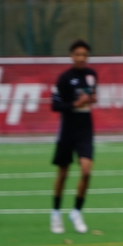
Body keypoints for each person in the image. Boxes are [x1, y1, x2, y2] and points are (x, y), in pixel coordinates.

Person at [50, 39, 98, 234]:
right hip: (67, 129)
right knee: (63, 173)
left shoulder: (91, 75)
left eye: (84, 55)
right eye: (77, 54)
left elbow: (93, 96)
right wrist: (75, 104)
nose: (81, 58)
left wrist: (92, 99)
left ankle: (76, 212)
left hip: (85, 128)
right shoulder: (64, 78)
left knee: (86, 171)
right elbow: (55, 105)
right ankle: (55, 213)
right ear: (71, 56)